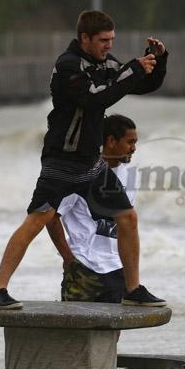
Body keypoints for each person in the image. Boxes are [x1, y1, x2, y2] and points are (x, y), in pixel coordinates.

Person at [0, 10, 168, 309]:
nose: (109, 46)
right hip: (61, 162)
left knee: (128, 217)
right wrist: (133, 70)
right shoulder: (68, 65)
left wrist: (156, 62)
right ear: (84, 38)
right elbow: (96, 97)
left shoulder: (106, 63)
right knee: (36, 221)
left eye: (111, 40)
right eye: (103, 40)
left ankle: (132, 289)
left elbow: (139, 84)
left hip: (91, 165)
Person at [46, 114, 148, 304]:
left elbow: (127, 224)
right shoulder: (81, 174)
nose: (134, 148)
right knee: (76, 330)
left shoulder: (131, 175)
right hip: (84, 267)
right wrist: (69, 259)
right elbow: (51, 217)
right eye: (130, 142)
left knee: (111, 331)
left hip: (117, 268)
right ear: (111, 141)